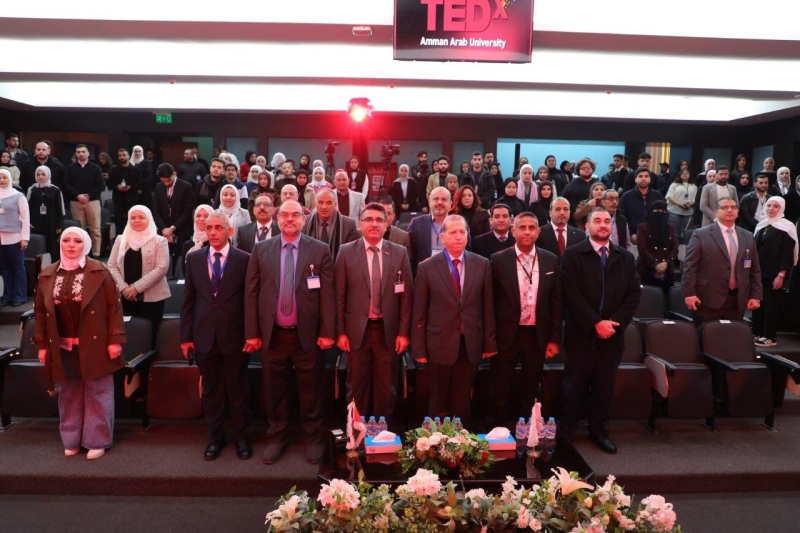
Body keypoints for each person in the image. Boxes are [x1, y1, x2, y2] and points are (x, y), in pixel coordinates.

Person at [244, 200, 335, 465]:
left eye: (296, 214)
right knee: (275, 389)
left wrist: (327, 331)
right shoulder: (261, 249)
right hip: (272, 335)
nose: (290, 218)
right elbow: (251, 293)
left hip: (308, 335)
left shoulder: (320, 249)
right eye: (284, 214)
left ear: (304, 220)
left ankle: (313, 437)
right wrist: (252, 332)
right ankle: (277, 437)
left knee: (311, 389)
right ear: (277, 219)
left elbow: (328, 295)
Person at [34, 227, 127, 460]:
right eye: (66, 240)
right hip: (62, 346)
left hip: (96, 343)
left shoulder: (99, 271)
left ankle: (97, 440)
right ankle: (71, 439)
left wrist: (115, 340)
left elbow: (114, 307)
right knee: (68, 392)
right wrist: (42, 346)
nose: (71, 245)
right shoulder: (47, 274)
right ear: (60, 244)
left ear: (85, 244)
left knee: (98, 391)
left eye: (77, 241)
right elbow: (40, 313)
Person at [559, 207, 642, 454]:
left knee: (604, 389)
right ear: (587, 226)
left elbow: (633, 295)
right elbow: (570, 294)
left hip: (612, 336)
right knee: (573, 387)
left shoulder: (625, 257)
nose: (603, 224)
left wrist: (612, 323)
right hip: (580, 335)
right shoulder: (572, 255)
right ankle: (566, 433)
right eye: (598, 220)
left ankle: (599, 432)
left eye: (607, 221)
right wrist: (596, 322)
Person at [411, 214, 497, 428]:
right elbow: (419, 311)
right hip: (438, 344)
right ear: (442, 237)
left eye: (462, 232)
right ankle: (436, 442)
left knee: (462, 399)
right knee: (438, 399)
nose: (458, 236)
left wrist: (489, 342)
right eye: (453, 232)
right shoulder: (427, 267)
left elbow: (487, 307)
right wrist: (419, 349)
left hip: (470, 343)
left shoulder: (482, 264)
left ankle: (461, 442)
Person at [182, 213, 255, 461]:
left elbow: (250, 301)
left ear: (229, 231)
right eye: (209, 228)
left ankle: (241, 437)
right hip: (203, 336)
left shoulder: (244, 259)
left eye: (218, 228)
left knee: (238, 389)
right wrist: (185, 337)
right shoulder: (193, 259)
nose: (212, 232)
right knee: (211, 390)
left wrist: (251, 334)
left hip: (235, 336)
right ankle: (215, 438)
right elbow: (188, 301)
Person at [335, 203, 413, 429]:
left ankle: (383, 434)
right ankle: (355, 435)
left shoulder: (399, 252)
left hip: (387, 332)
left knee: (386, 388)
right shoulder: (345, 252)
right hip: (355, 332)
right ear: (360, 223)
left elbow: (407, 297)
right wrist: (340, 332)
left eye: (379, 220)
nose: (374, 224)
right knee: (356, 387)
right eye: (368, 219)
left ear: (387, 224)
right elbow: (338, 296)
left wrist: (403, 333)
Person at [489, 212, 562, 424]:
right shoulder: (498, 260)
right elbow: (490, 303)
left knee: (531, 387)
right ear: (513, 231)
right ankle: (498, 429)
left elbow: (556, 303)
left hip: (536, 335)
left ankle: (528, 430)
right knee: (500, 387)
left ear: (538, 232)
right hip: (506, 335)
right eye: (522, 227)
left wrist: (554, 339)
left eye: (531, 228)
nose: (527, 232)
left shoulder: (550, 259)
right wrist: (490, 339)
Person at [682, 197, 762, 325]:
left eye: (733, 207)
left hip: (737, 299)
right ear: (716, 212)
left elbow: (755, 269)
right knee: (706, 335)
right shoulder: (700, 234)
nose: (729, 210)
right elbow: (690, 267)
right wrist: (689, 294)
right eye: (724, 207)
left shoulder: (747, 236)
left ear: (738, 211)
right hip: (707, 298)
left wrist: (755, 295)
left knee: (731, 336)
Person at [107, 206, 170, 337]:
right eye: (133, 218)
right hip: (125, 297)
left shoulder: (160, 241)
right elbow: (112, 266)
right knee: (128, 335)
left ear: (149, 219)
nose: (137, 220)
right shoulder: (120, 239)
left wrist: (136, 288)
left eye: (141, 217)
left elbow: (161, 267)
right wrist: (124, 289)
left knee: (150, 335)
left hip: (152, 298)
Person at [752, 197, 798, 347]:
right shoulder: (762, 224)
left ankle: (770, 336)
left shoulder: (786, 227)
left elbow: (787, 254)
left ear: (782, 208)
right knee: (758, 303)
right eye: (769, 205)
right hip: (759, 273)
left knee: (771, 305)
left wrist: (781, 275)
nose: (771, 209)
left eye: (775, 206)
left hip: (774, 273)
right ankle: (757, 332)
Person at [153, 163, 195, 277]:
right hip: (163, 231)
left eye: (169, 180)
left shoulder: (186, 187)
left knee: (179, 262)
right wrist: (165, 230)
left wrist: (172, 229)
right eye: (163, 181)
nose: (166, 183)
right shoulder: (159, 187)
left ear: (174, 174)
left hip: (181, 230)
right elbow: (156, 211)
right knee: (164, 261)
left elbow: (187, 212)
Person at [64, 144, 104, 257]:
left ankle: (96, 254)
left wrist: (88, 196)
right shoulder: (70, 168)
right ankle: (81, 253)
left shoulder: (95, 168)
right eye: (78, 152)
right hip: (76, 202)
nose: (81, 154)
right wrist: (77, 196)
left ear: (88, 153)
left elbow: (100, 185)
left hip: (92, 202)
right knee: (79, 230)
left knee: (95, 229)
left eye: (83, 152)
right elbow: (66, 184)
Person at [302, 188, 359, 262]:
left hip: (338, 267)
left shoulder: (349, 225)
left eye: (329, 203)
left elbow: (351, 256)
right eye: (320, 202)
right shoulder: (304, 222)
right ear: (315, 204)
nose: (324, 207)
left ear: (335, 204)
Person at [0, 168, 30, 306]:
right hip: (1, 238)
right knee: (3, 268)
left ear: (9, 179)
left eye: (4, 177)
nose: (2, 180)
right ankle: (7, 296)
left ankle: (19, 296)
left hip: (15, 237)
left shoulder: (18, 196)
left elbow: (25, 219)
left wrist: (25, 238)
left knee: (17, 267)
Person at [636, 201, 679, 294]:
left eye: (663, 211)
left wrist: (666, 263)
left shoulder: (670, 227)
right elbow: (642, 248)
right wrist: (655, 264)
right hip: (647, 268)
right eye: (657, 210)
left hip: (666, 268)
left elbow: (675, 248)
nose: (660, 213)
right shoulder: (642, 227)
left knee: (666, 295)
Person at [407, 187, 451, 274]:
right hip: (424, 276)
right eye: (436, 199)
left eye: (444, 199)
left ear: (450, 204)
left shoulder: (459, 224)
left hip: (451, 275)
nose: (439, 202)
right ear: (429, 202)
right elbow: (410, 256)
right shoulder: (416, 223)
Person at [27, 165, 65, 261]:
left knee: (51, 245)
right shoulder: (32, 189)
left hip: (51, 221)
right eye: (38, 174)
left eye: (43, 174)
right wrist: (28, 220)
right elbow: (28, 207)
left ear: (48, 175)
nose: (40, 177)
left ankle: (53, 265)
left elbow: (59, 208)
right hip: (36, 221)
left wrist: (59, 224)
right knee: (39, 244)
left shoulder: (55, 189)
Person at [619, 167, 665, 244]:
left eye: (646, 176)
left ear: (650, 179)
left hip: (654, 238)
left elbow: (663, 217)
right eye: (640, 176)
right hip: (633, 238)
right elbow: (621, 218)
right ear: (635, 179)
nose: (643, 178)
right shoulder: (626, 196)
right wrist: (630, 234)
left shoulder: (658, 196)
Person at [106, 148, 142, 236]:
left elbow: (140, 184)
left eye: (123, 155)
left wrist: (130, 188)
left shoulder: (136, 170)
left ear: (128, 156)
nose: (121, 157)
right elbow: (109, 183)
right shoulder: (114, 170)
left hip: (131, 199)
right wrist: (117, 186)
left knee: (132, 221)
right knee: (119, 222)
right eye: (119, 155)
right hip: (118, 199)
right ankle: (120, 240)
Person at [376, 197, 413, 262]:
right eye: (382, 213)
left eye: (388, 213)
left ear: (393, 216)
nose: (385, 217)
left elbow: (406, 264)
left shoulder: (403, 237)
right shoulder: (362, 234)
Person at [665, 168, 697, 242]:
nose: (685, 174)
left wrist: (690, 204)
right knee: (674, 232)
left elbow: (695, 199)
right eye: (682, 173)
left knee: (687, 233)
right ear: (679, 175)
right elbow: (669, 196)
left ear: (690, 175)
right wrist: (679, 204)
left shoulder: (694, 186)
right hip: (674, 211)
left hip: (688, 212)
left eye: (687, 173)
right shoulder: (674, 184)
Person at [216, 184, 251, 248]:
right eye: (225, 195)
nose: (228, 197)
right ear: (221, 196)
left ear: (237, 197)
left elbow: (248, 234)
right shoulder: (215, 213)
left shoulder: (244, 213)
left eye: (232, 195)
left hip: (239, 250)